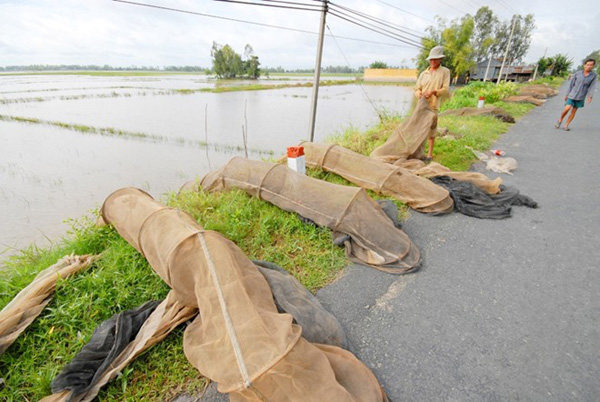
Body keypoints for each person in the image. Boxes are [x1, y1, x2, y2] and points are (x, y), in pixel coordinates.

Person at [415, 45, 450, 162]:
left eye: (435, 59)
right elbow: (417, 88)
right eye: (431, 59)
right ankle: (418, 151)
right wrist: (419, 93)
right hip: (421, 105)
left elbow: (445, 89)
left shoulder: (445, 72)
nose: (433, 61)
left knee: (431, 130)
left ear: (440, 59)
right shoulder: (423, 73)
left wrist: (434, 92)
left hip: (433, 106)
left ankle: (429, 154)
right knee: (419, 129)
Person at [555, 59, 597, 131]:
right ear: (584, 65)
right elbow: (571, 85)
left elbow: (591, 87)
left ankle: (566, 125)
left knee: (574, 111)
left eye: (591, 65)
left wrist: (590, 96)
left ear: (593, 66)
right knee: (567, 108)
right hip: (572, 95)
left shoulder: (593, 76)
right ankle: (560, 120)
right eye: (588, 65)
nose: (589, 66)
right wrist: (566, 94)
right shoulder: (578, 74)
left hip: (581, 96)